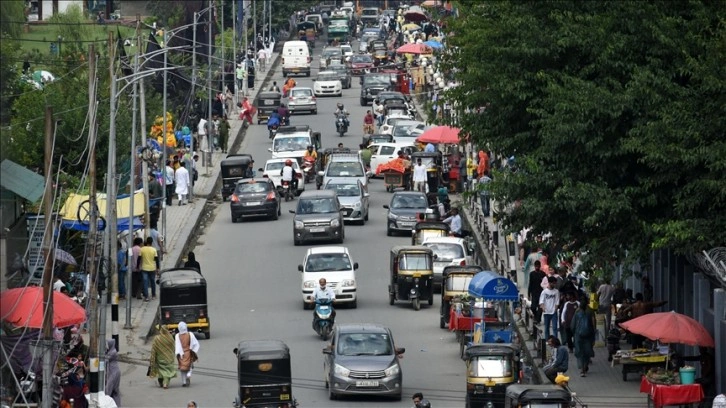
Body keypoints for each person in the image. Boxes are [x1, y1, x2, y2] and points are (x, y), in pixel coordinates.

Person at [571, 301, 596, 376]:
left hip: (578, 335)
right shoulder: (590, 311)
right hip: (588, 335)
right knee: (587, 352)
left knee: (580, 352)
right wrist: (593, 335)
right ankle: (585, 366)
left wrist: (574, 334)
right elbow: (594, 325)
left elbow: (572, 325)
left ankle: (582, 370)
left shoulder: (577, 312)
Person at [175, 321, 200, 387]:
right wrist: (193, 351)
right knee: (189, 366)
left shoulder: (177, 336)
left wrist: (178, 353)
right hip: (188, 353)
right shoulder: (190, 334)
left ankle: (184, 382)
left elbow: (177, 345)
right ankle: (188, 375)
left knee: (182, 368)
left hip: (181, 354)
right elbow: (195, 343)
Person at [137, 237, 159, 302]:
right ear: (152, 242)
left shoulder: (142, 249)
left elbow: (139, 259)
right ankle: (153, 295)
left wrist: (137, 266)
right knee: (152, 282)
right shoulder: (154, 250)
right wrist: (158, 268)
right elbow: (156, 260)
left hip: (144, 268)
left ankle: (146, 297)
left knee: (145, 282)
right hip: (152, 268)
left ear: (146, 241)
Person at [539, 276, 561, 340]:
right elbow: (541, 302)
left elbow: (557, 301)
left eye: (555, 283)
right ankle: (547, 340)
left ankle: (555, 340)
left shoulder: (556, 292)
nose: (554, 284)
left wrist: (555, 309)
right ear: (550, 283)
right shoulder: (544, 292)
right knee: (546, 328)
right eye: (553, 283)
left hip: (553, 312)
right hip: (546, 312)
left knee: (554, 328)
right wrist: (543, 308)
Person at [105, 339, 121, 406]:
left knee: (108, 390)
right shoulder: (111, 351)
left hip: (114, 373)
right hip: (113, 372)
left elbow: (105, 360)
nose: (107, 346)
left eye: (108, 344)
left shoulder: (113, 352)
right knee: (114, 391)